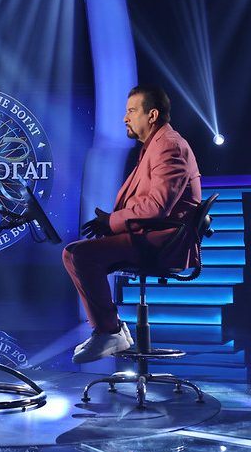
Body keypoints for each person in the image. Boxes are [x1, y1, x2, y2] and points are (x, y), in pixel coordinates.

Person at [63, 85, 201, 363]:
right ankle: (111, 329)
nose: (125, 118)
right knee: (74, 252)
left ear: (152, 115)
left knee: (80, 255)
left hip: (163, 241)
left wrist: (112, 221)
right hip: (149, 234)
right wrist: (109, 224)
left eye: (132, 111)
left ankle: (109, 331)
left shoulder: (169, 146)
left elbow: (157, 207)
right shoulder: (155, 146)